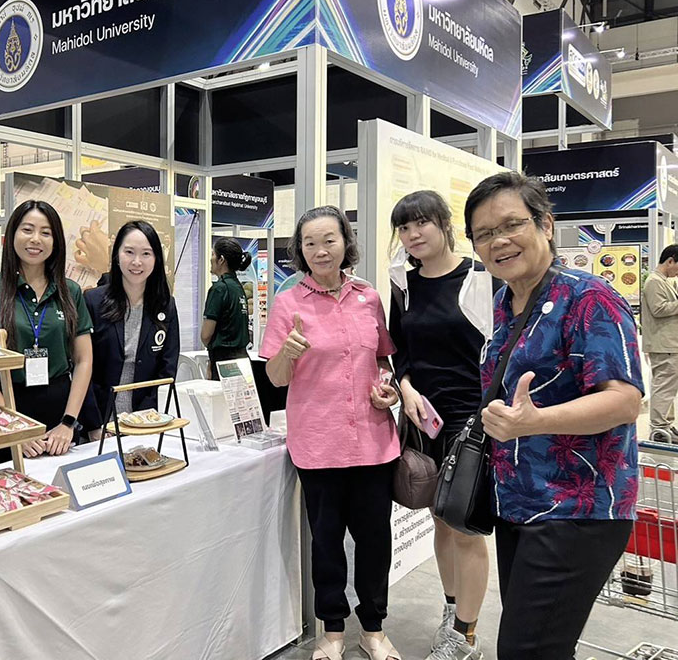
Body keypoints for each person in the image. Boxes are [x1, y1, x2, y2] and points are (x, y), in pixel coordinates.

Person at [465, 172, 643, 660]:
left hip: (576, 509)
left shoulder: (589, 298)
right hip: (519, 503)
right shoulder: (506, 302)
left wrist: (535, 421)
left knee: (526, 650)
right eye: (484, 233)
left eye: (511, 225)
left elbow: (624, 400)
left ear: (545, 224)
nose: (499, 241)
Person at [261, 206, 401, 660]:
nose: (320, 251)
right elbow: (276, 379)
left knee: (375, 541)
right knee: (326, 543)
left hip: (373, 443)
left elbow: (382, 359)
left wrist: (388, 388)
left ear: (345, 243)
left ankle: (374, 628)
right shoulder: (288, 303)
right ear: (299, 250)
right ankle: (333, 630)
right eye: (310, 243)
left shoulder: (368, 297)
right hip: (318, 445)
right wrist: (287, 351)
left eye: (329, 240)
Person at [387, 191, 496, 660]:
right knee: (440, 519)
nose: (413, 235)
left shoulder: (480, 278)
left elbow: (497, 350)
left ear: (444, 224)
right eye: (404, 227)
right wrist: (406, 388)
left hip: (472, 421)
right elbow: (399, 352)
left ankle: (465, 636)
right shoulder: (403, 286)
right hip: (424, 421)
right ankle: (452, 611)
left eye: (422, 223)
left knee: (466, 524)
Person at [0, 200, 93, 462]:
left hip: (59, 413)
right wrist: (14, 427)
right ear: (12, 234)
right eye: (27, 229)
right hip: (3, 410)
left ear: (56, 241)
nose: (36, 239)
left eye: (46, 232)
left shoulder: (71, 292)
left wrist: (68, 423)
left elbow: (84, 360)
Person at [82, 221, 180, 436]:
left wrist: (146, 419)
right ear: (117, 255)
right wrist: (93, 425)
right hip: (100, 423)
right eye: (129, 252)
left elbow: (167, 369)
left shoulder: (166, 305)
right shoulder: (93, 301)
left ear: (156, 259)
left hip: (146, 422)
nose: (137, 262)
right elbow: (82, 367)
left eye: (146, 254)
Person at [640, 244, 678, 443]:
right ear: (670, 261)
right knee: (664, 386)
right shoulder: (654, 281)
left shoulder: (664, 281)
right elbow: (659, 309)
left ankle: (666, 424)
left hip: (669, 343)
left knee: (668, 387)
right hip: (664, 344)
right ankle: (659, 428)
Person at [201, 237, 251, 380]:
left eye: (213, 254)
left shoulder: (219, 289)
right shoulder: (238, 287)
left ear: (221, 259)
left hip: (224, 362)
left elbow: (206, 335)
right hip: (243, 360)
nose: (210, 259)